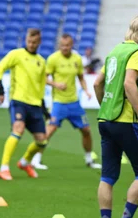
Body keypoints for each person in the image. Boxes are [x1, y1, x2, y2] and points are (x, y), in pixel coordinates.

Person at [93, 15, 138, 218]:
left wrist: (106, 105)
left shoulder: (116, 51)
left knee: (108, 176)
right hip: (125, 120)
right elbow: (130, 83)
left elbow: (97, 83)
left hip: (105, 120)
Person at [31, 34, 102, 170]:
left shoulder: (77, 59)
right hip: (59, 102)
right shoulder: (53, 59)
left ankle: (89, 159)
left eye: (67, 45)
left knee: (86, 130)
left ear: (72, 45)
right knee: (49, 130)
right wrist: (56, 84)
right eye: (62, 45)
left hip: (74, 102)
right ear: (59, 46)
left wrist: (86, 90)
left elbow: (81, 77)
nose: (65, 48)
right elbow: (44, 78)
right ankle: (36, 159)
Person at [0, 28, 57, 180]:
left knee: (42, 140)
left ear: (39, 42)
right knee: (18, 128)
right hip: (18, 101)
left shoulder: (41, 62)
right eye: (29, 41)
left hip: (35, 105)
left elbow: (40, 88)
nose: (31, 44)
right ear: (26, 40)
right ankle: (3, 168)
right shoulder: (16, 54)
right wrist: (1, 91)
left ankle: (24, 162)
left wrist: (46, 113)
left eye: (34, 42)